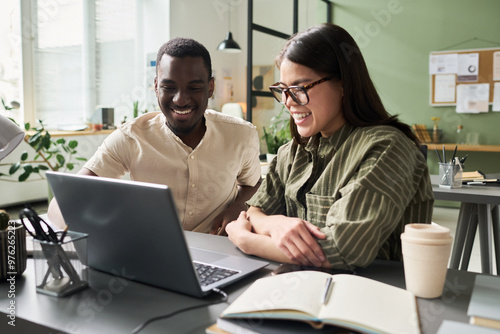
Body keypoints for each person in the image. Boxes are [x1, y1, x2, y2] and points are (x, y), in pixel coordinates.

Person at [225, 23, 434, 270]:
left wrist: (245, 239)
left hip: (368, 296)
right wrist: (274, 224)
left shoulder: (387, 147)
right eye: (283, 90)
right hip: (298, 288)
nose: (288, 102)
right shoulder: (291, 151)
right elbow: (252, 212)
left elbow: (342, 250)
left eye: (300, 88)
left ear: (344, 84)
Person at [48, 38, 261, 234]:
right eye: (169, 87)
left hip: (221, 249)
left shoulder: (241, 135)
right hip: (153, 248)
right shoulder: (131, 137)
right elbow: (65, 200)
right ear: (156, 87)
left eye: (194, 87)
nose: (180, 100)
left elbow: (253, 183)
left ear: (210, 87)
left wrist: (239, 205)